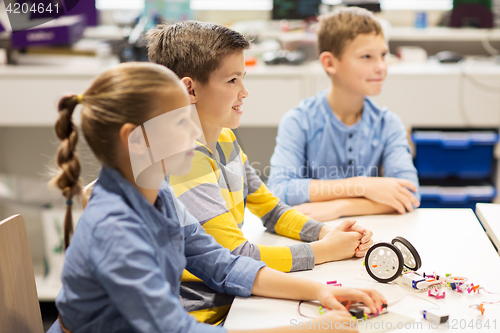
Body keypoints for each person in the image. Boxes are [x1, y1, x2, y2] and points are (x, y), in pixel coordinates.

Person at [46, 62, 384, 333]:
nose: (195, 132)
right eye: (181, 122)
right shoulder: (115, 232)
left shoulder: (158, 192)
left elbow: (222, 264)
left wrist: (320, 292)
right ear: (137, 140)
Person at [148, 21, 374, 324]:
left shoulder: (224, 139)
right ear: (189, 89)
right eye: (231, 81)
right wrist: (322, 251)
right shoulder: (183, 162)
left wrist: (328, 233)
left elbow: (272, 210)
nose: (244, 92)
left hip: (238, 296)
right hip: (204, 316)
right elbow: (236, 256)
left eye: (243, 78)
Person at [267, 7, 420, 222]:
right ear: (330, 63)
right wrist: (363, 186)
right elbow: (279, 190)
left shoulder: (389, 124)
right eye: (366, 56)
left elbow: (410, 195)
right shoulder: (299, 121)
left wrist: (340, 206)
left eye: (383, 55)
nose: (381, 67)